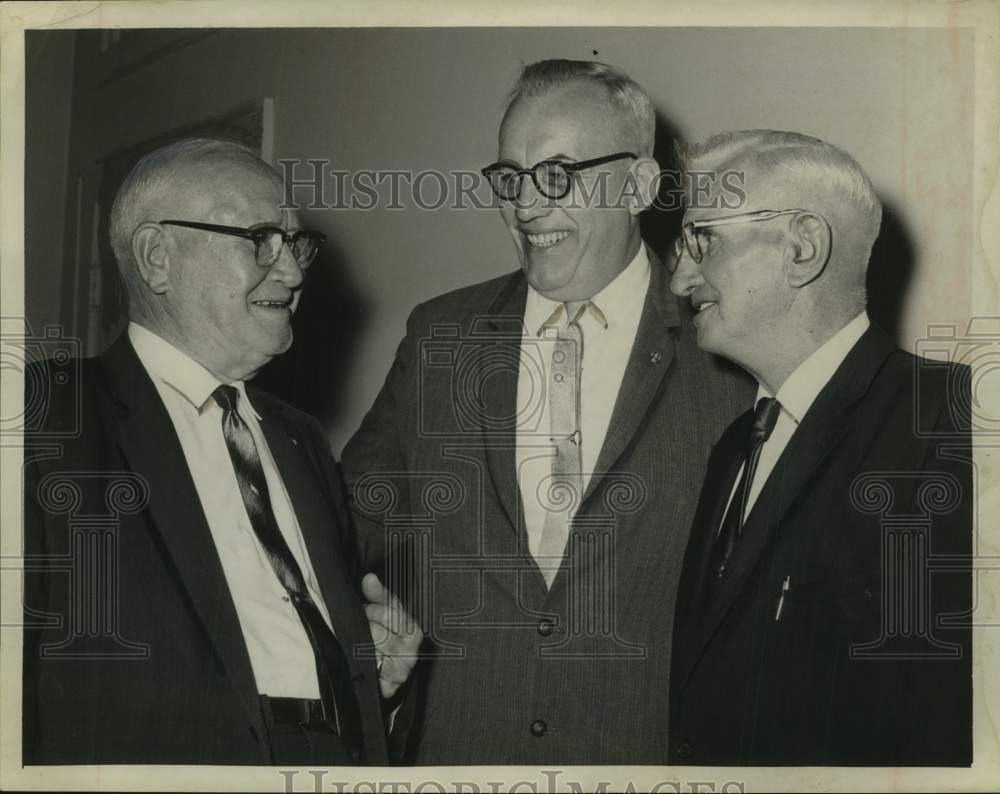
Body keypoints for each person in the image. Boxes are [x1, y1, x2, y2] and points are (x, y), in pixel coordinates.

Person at [340, 59, 752, 764]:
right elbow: (344, 526)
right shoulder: (440, 336)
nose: (527, 205)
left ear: (639, 185)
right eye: (510, 177)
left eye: (559, 174)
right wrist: (358, 636)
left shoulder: (729, 349)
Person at [22, 138, 420, 765]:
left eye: (296, 244)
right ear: (158, 258)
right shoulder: (46, 415)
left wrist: (368, 688)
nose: (291, 271)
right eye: (261, 238)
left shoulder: (302, 441)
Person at [667, 129, 973, 765]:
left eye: (703, 239)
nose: (678, 277)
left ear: (801, 249)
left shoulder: (947, 422)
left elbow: (949, 726)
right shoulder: (735, 446)